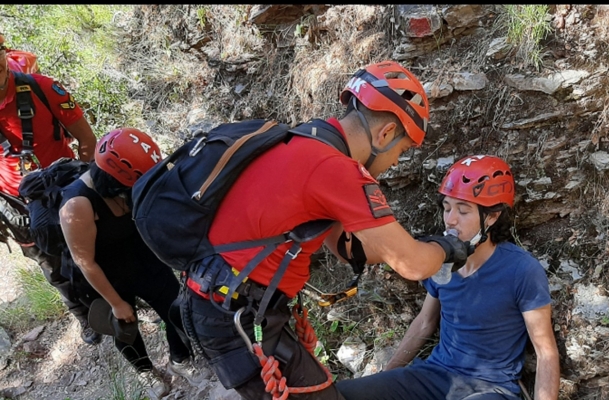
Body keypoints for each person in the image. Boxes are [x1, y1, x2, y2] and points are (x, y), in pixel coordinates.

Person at [178, 60, 475, 400]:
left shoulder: (308, 139)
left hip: (220, 301)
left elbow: (342, 246)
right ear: (386, 133)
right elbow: (414, 266)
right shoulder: (338, 169)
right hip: (235, 316)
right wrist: (445, 248)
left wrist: (404, 244)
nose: (395, 163)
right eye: (402, 151)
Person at [335, 155, 561, 400]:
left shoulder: (521, 270)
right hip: (434, 376)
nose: (451, 219)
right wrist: (386, 377)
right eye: (447, 207)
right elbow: (424, 322)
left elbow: (545, 351)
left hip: (489, 388)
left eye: (463, 211)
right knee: (342, 395)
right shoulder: (439, 258)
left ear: (492, 217)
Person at [58, 128, 208, 399]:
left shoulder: (134, 182)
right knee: (124, 327)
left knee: (176, 309)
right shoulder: (77, 205)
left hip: (144, 258)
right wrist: (116, 302)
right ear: (115, 181)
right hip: (104, 273)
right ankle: (144, 369)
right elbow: (85, 261)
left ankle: (180, 359)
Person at [0, 33, 100, 345]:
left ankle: (118, 297)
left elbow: (87, 140)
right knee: (50, 264)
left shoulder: (43, 88)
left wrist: (88, 183)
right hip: (17, 202)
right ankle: (84, 316)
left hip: (64, 184)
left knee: (95, 244)